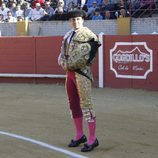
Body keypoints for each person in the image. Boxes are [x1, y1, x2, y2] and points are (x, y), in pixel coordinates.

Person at [58, 9, 101, 152]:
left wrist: (70, 62)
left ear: (82, 20)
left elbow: (91, 54)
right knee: (73, 103)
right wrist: (62, 58)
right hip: (69, 74)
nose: (75, 22)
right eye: (72, 19)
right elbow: (63, 51)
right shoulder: (68, 35)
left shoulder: (89, 35)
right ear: (70, 21)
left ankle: (92, 138)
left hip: (82, 73)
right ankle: (79, 135)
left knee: (86, 104)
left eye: (78, 19)